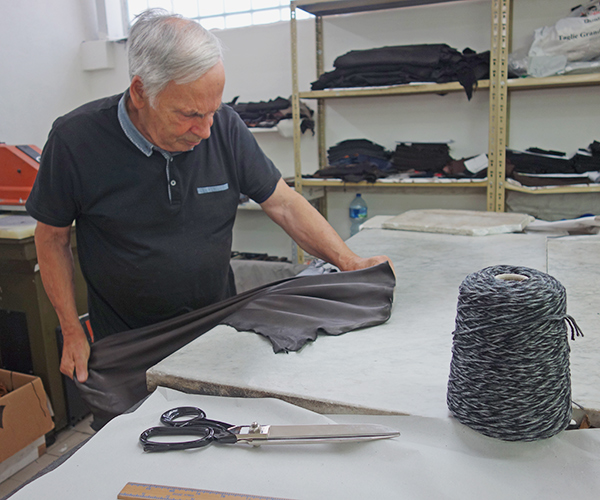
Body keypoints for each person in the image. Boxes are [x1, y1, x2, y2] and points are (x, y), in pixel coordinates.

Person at [26, 9, 392, 386]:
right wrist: (71, 331)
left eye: (211, 112)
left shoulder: (225, 128)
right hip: (127, 341)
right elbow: (52, 237)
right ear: (140, 92)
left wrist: (348, 262)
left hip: (216, 329)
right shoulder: (75, 140)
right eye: (188, 115)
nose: (204, 131)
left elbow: (284, 203)